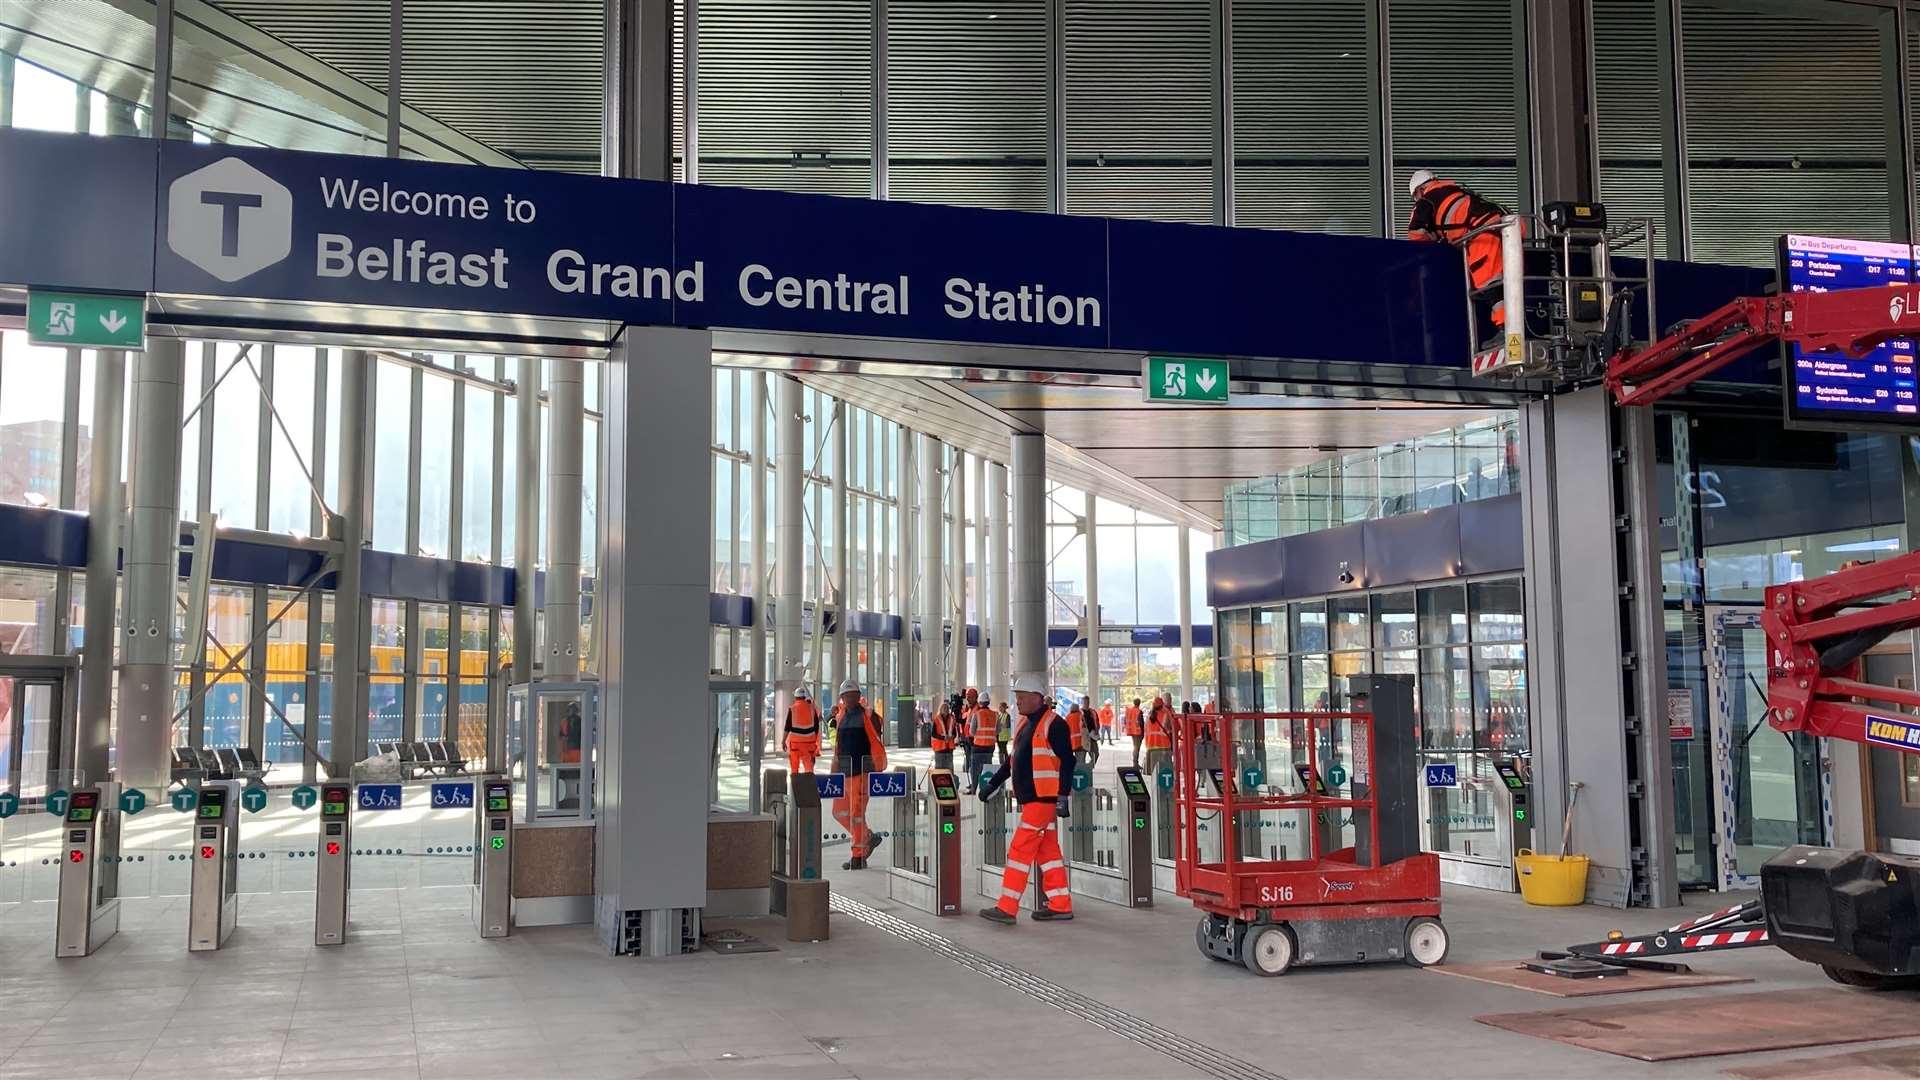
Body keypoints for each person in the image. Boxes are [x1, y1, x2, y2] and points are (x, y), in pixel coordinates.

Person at [977, 672, 1075, 925]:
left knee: (1019, 850)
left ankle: (1007, 907)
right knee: (1048, 852)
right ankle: (1060, 904)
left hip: (1043, 800)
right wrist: (992, 785)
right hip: (1033, 799)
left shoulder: (1054, 724)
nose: (1017, 702)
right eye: (1016, 697)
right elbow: (1012, 762)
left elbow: (1068, 761)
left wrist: (1063, 794)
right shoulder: (1024, 724)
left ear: (1037, 697)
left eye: (1021, 697)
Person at [1407, 170, 1513, 326]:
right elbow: (1453, 220)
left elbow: (1415, 234)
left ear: (1420, 190)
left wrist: (1431, 242)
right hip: (1504, 227)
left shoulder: (1427, 200)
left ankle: (1507, 327)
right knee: (1509, 279)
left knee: (1487, 281)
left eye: (1415, 197)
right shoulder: (1455, 191)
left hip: (1483, 232)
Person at [830, 679, 888, 870]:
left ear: (858, 696)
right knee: (839, 812)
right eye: (847, 696)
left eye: (853, 695)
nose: (850, 699)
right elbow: (838, 745)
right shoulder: (841, 717)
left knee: (856, 814)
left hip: (862, 772)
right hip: (844, 772)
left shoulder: (867, 715)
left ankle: (857, 856)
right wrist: (834, 769)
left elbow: (878, 728)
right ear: (842, 698)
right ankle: (868, 837)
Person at [780, 687, 821, 776]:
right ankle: (808, 786)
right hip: (809, 744)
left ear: (795, 697)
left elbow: (787, 727)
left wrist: (783, 741)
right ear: (804, 697)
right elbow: (817, 727)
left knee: (794, 769)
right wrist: (814, 740)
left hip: (795, 744)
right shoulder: (812, 709)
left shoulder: (792, 709)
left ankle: (795, 787)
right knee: (809, 769)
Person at [965, 692, 999, 794]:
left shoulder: (977, 714)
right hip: (990, 746)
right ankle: (987, 788)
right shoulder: (995, 714)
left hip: (978, 746)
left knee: (975, 769)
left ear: (979, 702)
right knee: (987, 767)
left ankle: (974, 789)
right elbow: (998, 730)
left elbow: (971, 731)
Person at [1143, 695, 1174, 777]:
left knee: (1153, 773)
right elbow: (1173, 727)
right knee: (1164, 772)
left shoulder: (1149, 716)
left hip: (1150, 746)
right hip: (1163, 746)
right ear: (1162, 705)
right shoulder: (1166, 714)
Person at [930, 697, 959, 771]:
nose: (946, 710)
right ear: (941, 710)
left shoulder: (952, 718)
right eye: (944, 708)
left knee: (949, 769)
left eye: (947, 708)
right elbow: (933, 734)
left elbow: (954, 732)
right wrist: (943, 738)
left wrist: (953, 736)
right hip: (939, 748)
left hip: (949, 748)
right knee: (939, 768)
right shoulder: (936, 719)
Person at [1125, 697, 1145, 766]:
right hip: (1138, 732)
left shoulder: (1130, 710)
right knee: (1137, 748)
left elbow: (1126, 720)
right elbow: (1141, 723)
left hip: (1132, 731)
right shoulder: (1139, 711)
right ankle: (1135, 763)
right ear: (1139, 703)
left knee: (1135, 747)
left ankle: (1135, 762)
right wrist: (1143, 733)